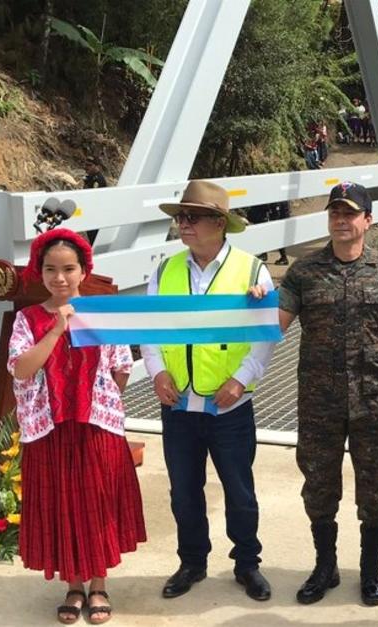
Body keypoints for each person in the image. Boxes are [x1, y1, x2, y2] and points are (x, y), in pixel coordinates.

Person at [278, 181, 378, 607]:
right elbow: (274, 325)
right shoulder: (303, 272)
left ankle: (371, 570)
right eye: (335, 213)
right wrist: (258, 296)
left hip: (375, 401)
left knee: (375, 488)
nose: (341, 220)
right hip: (318, 402)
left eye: (350, 213)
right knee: (318, 486)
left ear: (367, 220)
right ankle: (325, 567)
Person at [141, 180, 276, 602]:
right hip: (178, 403)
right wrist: (157, 371)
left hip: (229, 404)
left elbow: (263, 336)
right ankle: (192, 562)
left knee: (239, 490)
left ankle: (247, 563)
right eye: (181, 217)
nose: (183, 224)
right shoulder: (165, 270)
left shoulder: (252, 271)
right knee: (183, 490)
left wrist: (240, 379)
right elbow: (150, 327)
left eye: (192, 217)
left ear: (219, 223)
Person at [8, 228, 146, 625]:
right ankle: (73, 585)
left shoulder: (102, 314)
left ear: (84, 271)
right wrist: (56, 329)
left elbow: (121, 369)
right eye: (51, 269)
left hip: (95, 426)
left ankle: (98, 585)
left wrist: (95, 398)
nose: (60, 278)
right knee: (63, 506)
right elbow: (21, 369)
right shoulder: (28, 320)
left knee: (96, 504)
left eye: (69, 269)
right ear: (39, 272)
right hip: (49, 431)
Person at [248, 201, 290, 266]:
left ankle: (284, 258)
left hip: (278, 212)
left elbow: (279, 208)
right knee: (265, 232)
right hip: (274, 210)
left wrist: (273, 218)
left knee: (276, 234)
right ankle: (264, 254)